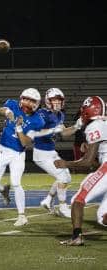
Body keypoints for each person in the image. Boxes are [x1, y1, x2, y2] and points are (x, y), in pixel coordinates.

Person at [16, 88, 82, 218]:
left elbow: (63, 133)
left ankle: (48, 200)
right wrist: (52, 130)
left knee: (66, 176)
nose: (57, 103)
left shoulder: (60, 115)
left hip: (51, 151)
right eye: (54, 100)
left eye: (59, 100)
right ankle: (63, 206)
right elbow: (33, 132)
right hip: (41, 153)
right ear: (47, 101)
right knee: (63, 177)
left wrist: (76, 126)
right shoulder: (41, 114)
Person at [0, 88, 45, 226]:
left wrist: (18, 128)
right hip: (2, 150)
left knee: (16, 183)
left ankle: (22, 215)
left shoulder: (38, 121)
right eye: (26, 99)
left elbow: (25, 142)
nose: (28, 102)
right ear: (21, 98)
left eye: (32, 100)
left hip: (18, 154)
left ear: (37, 103)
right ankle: (3, 190)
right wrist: (8, 112)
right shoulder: (13, 104)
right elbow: (1, 109)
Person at [54, 96, 107, 246]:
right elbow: (96, 164)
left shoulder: (95, 126)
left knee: (78, 199)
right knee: (102, 217)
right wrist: (89, 149)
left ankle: (77, 237)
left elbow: (88, 163)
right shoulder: (103, 123)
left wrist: (66, 163)